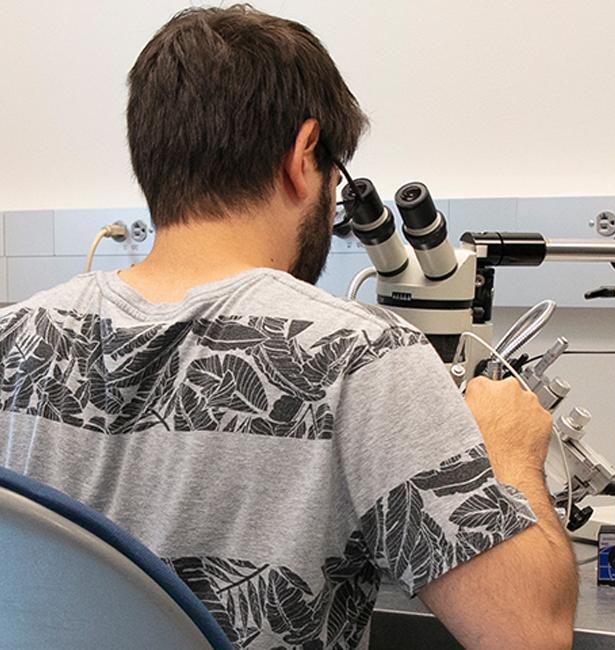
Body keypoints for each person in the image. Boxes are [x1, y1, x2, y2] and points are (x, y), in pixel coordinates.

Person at [0, 5, 577, 649]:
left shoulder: (11, 340)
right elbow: (529, 634)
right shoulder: (360, 356)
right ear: (305, 156)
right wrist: (509, 455)